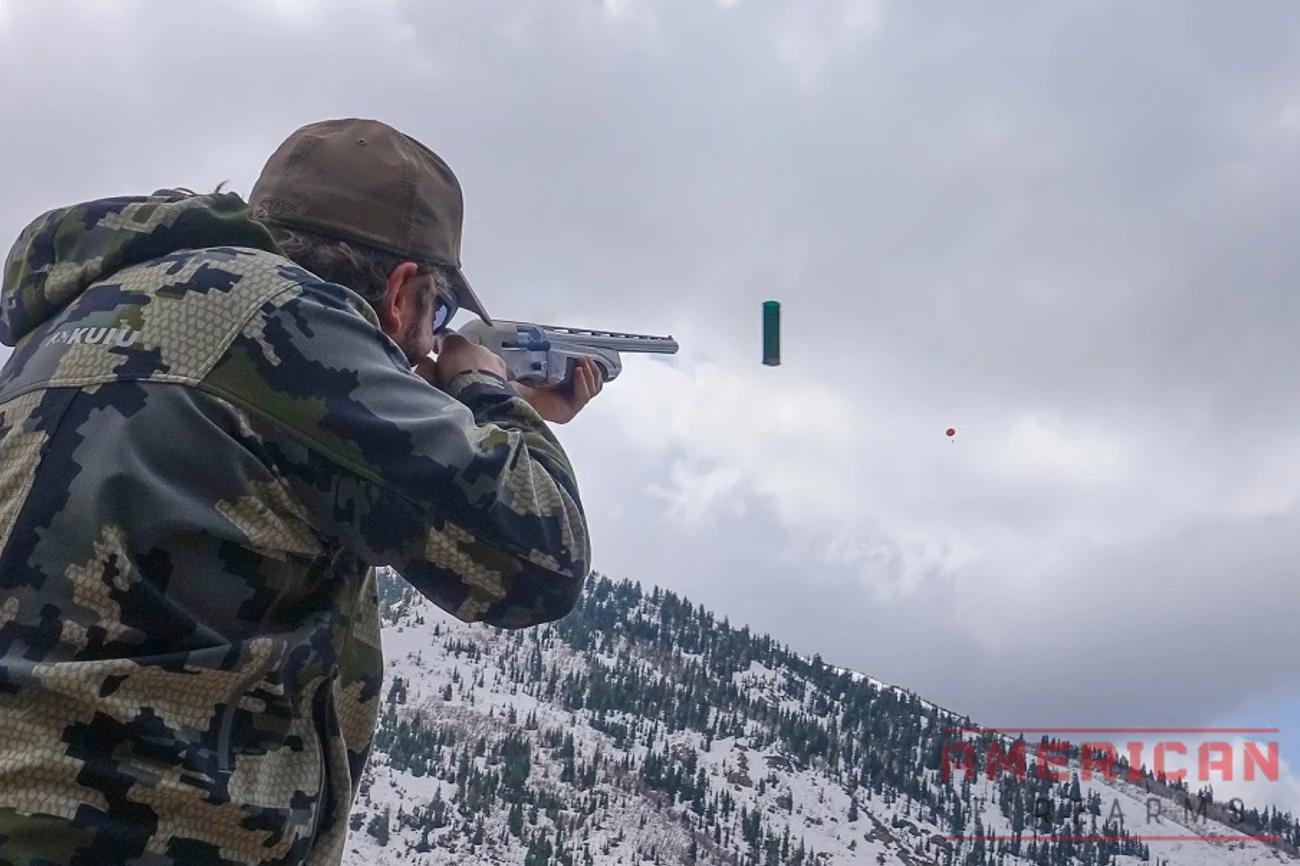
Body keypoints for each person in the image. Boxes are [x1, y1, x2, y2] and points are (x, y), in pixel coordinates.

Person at [0, 118, 597, 866]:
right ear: (403, 289)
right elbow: (540, 562)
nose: (428, 342)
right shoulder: (292, 322)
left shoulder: (91, 311)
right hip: (135, 832)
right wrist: (485, 390)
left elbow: (265, 510)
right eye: (435, 316)